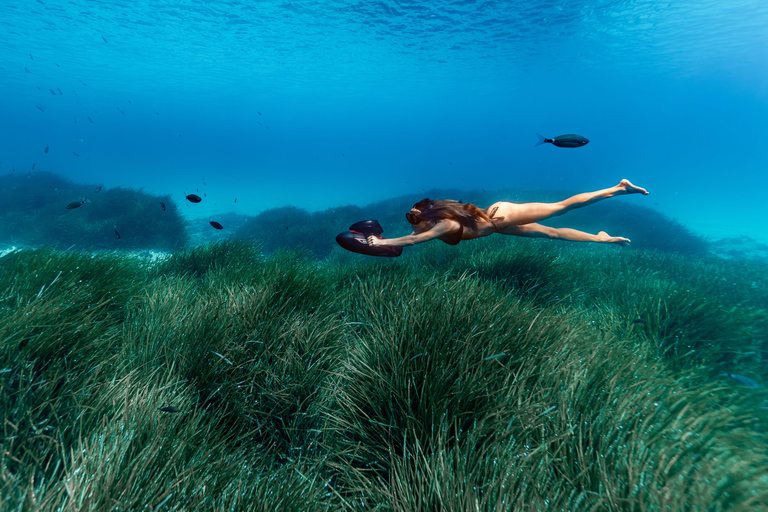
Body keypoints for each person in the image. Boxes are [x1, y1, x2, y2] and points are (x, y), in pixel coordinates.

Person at [366, 179, 649, 248]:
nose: (413, 225)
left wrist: (382, 242)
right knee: (551, 234)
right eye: (410, 219)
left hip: (503, 215)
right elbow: (415, 234)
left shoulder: (443, 226)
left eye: (415, 219)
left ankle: (618, 187)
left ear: (430, 218)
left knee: (561, 209)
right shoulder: (438, 219)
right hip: (496, 224)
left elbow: (414, 241)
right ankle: (602, 239)